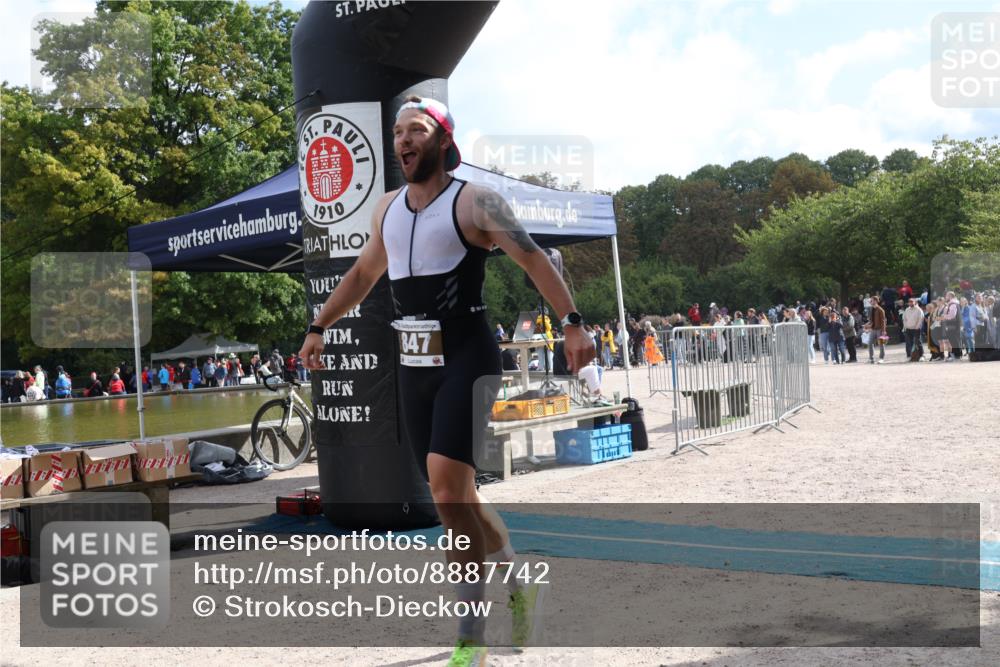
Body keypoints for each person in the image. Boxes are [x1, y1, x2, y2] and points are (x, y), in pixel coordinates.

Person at [298, 96, 594, 665]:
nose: (404, 140)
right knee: (456, 494)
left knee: (443, 491)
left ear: (442, 138)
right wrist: (319, 326)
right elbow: (363, 274)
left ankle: (470, 640)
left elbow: (535, 260)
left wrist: (573, 324)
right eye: (397, 132)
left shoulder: (475, 202)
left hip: (466, 354)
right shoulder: (385, 208)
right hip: (413, 363)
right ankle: (517, 579)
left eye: (417, 129)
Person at [868, 295, 887, 364]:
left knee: (881, 344)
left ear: (876, 301)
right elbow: (871, 320)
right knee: (870, 343)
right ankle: (871, 358)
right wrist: (867, 325)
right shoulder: (871, 309)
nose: (870, 302)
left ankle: (881, 358)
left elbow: (883, 321)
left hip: (880, 329)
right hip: (873, 329)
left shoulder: (881, 310)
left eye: (872, 300)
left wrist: (884, 331)